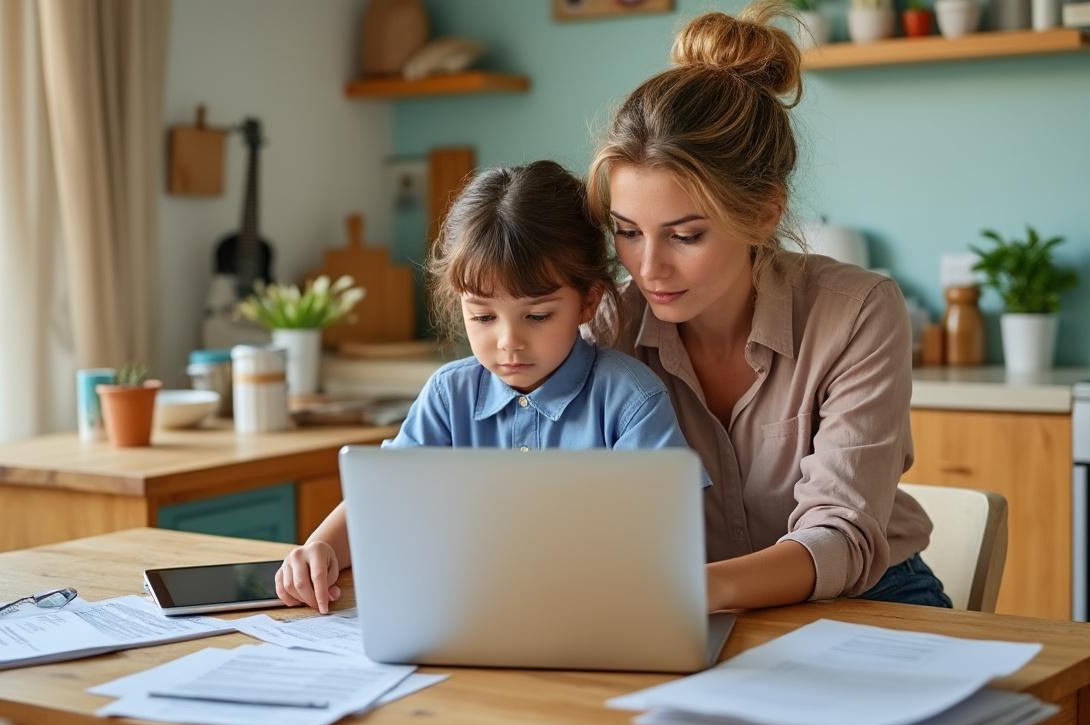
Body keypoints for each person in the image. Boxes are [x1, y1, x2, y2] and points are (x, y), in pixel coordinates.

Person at [585, 1, 950, 611]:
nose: (648, 268)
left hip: (867, 595)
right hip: (683, 605)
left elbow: (841, 534)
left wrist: (690, 592)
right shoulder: (605, 327)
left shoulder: (856, 313)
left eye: (685, 235)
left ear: (762, 213)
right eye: (627, 231)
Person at [276, 159, 702, 614]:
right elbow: (383, 500)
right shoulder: (448, 396)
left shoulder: (631, 401)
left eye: (537, 316)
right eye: (482, 316)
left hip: (598, 618)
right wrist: (321, 547)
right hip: (466, 617)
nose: (508, 342)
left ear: (588, 302)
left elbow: (667, 541)